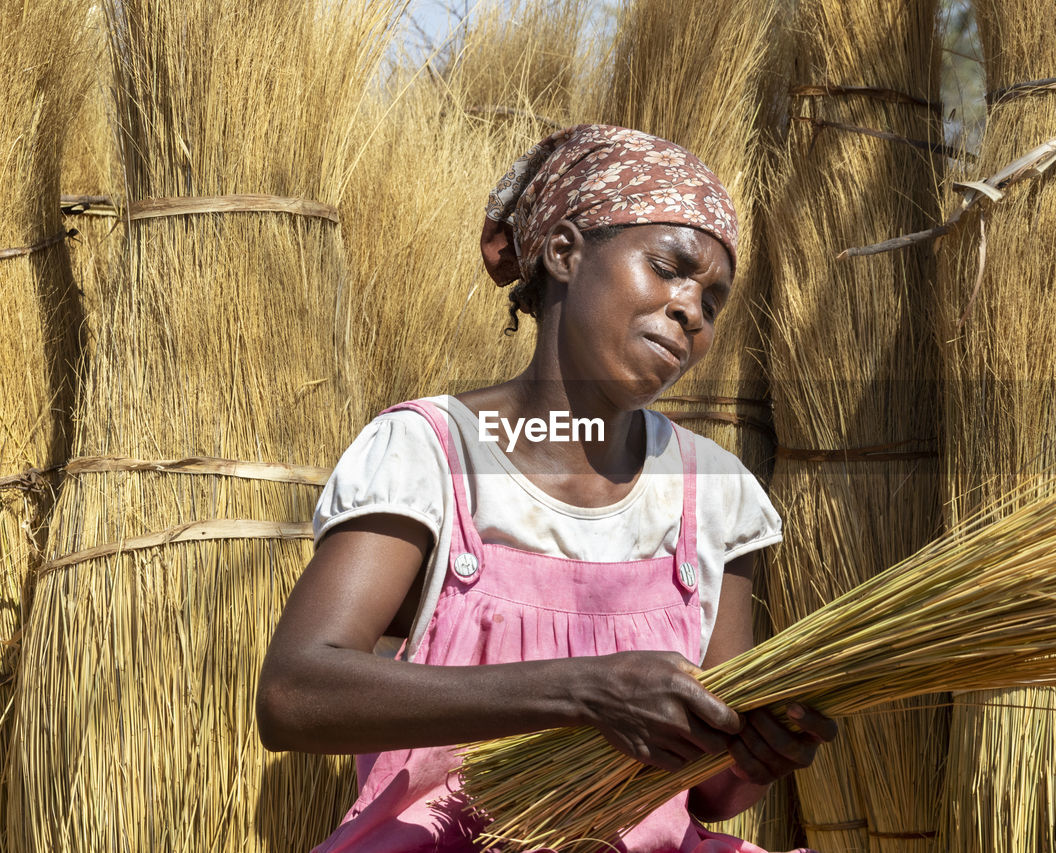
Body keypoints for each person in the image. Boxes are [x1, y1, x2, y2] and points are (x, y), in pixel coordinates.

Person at [256, 124, 836, 853]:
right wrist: (582, 691)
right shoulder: (433, 453)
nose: (691, 310)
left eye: (712, 301)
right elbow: (293, 694)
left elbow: (712, 793)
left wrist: (759, 754)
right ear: (565, 252)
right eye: (667, 267)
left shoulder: (713, 493)